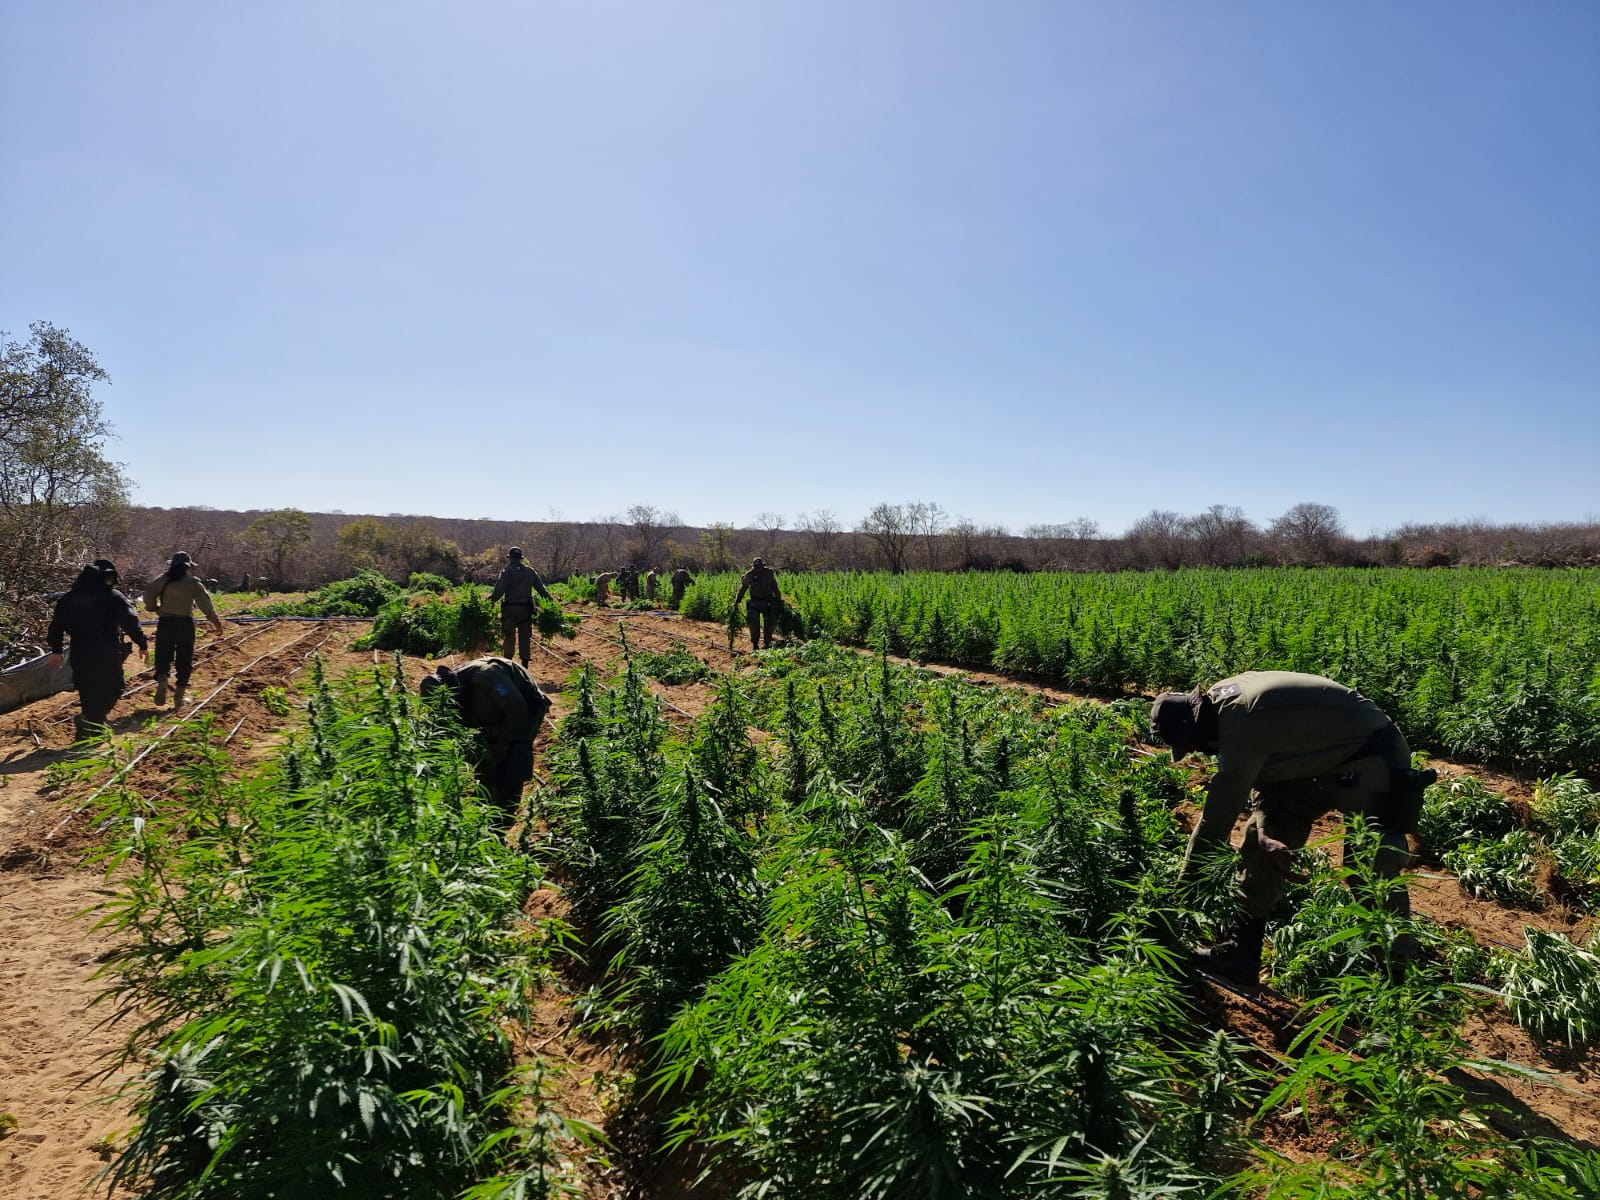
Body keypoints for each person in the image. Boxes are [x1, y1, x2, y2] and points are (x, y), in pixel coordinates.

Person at [1150, 670, 1433, 984]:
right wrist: (1266, 830)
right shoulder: (1221, 704)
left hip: (1371, 754)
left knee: (1369, 864)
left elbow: (1216, 819)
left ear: (1196, 729)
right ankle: (1242, 952)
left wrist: (1180, 897)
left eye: (1197, 746)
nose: (1204, 753)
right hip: (1316, 757)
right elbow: (1266, 777)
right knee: (1262, 835)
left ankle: (1395, 979)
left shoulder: (1240, 723)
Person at [420, 656, 551, 822]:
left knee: (514, 757)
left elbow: (516, 707)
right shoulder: (444, 698)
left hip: (525, 706)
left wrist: (504, 743)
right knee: (484, 758)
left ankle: (505, 814)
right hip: (494, 713)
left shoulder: (486, 676)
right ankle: (485, 803)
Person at [46, 559, 149, 740]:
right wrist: (142, 643)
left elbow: (56, 626)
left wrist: (56, 650)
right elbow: (130, 621)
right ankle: (91, 722)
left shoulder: (68, 599)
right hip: (106, 650)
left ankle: (91, 726)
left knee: (87, 689)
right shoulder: (112, 596)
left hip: (79, 650)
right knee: (114, 687)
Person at [143, 552, 225, 708]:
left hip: (166, 622)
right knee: (184, 659)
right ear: (189, 566)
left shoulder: (163, 580)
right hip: (185, 624)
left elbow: (148, 596)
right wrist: (217, 623)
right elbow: (205, 605)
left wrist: (154, 608)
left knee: (162, 654)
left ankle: (162, 679)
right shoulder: (193, 583)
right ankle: (179, 697)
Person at [487, 547, 555, 669]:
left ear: (510, 558)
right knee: (525, 636)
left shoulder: (506, 572)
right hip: (525, 610)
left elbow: (498, 592)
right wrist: (553, 604)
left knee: (509, 636)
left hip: (510, 610)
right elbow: (542, 590)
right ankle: (524, 664)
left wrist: (487, 604)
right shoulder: (530, 571)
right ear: (521, 558)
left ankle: (508, 664)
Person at [732, 556, 782, 650]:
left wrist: (779, 599)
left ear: (762, 566)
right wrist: (737, 602)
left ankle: (767, 643)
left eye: (759, 567)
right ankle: (755, 644)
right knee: (754, 624)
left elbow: (775, 586)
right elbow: (742, 589)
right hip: (755, 602)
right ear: (753, 566)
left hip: (768, 601)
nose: (758, 570)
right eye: (756, 567)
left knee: (769, 624)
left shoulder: (769, 573)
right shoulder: (749, 575)